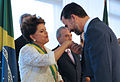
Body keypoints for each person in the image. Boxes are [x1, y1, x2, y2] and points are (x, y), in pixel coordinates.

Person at [60, 2, 120, 82]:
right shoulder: (96, 28)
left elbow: (102, 71)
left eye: (67, 25)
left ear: (73, 17)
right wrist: (83, 52)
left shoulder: (94, 31)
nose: (69, 30)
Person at [19, 15, 73, 82]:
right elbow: (46, 60)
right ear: (32, 37)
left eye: (45, 30)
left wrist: (60, 79)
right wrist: (65, 44)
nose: (46, 33)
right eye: (41, 31)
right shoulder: (26, 50)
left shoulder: (48, 50)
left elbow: (53, 70)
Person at [15, 13, 32, 81]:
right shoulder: (15, 44)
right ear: (20, 26)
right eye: (26, 23)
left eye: (31, 23)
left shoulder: (38, 42)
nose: (29, 26)